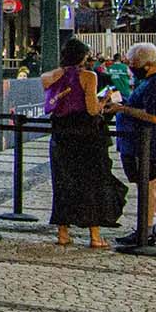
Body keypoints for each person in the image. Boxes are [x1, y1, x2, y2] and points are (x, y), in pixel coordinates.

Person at [41, 37, 125, 248]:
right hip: (85, 135)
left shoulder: (48, 77)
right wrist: (105, 99)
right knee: (89, 183)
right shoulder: (88, 76)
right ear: (82, 56)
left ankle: (62, 233)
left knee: (62, 182)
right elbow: (91, 109)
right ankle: (95, 236)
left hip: (60, 134)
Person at [105, 42, 156, 250]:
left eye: (134, 63)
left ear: (146, 64)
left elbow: (154, 117)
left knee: (149, 187)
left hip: (148, 144)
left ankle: (145, 232)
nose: (131, 67)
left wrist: (123, 109)